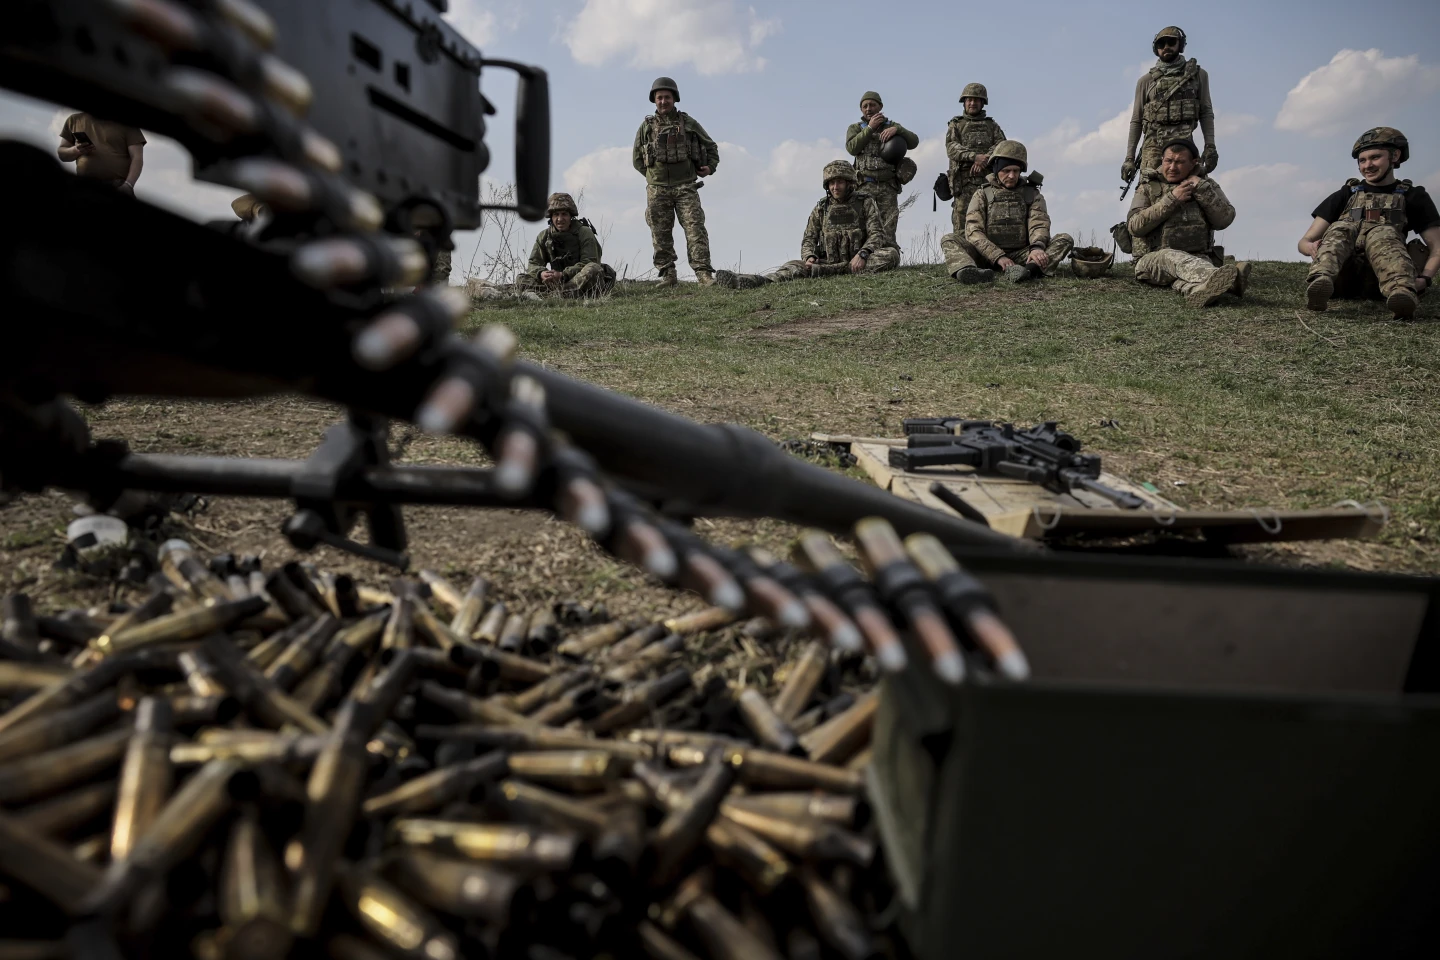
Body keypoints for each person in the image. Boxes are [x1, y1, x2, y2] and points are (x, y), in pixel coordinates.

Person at [1299, 127, 1438, 320]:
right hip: (1342, 277)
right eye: (1362, 160)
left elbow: (1437, 247)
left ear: (1395, 156)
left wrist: (1424, 279)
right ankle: (1321, 282)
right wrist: (1311, 247)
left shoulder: (1413, 196)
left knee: (1382, 231)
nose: (1368, 165)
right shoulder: (1347, 194)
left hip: (1383, 279)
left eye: (1375, 158)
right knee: (1342, 227)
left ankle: (1402, 295)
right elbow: (1304, 242)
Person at [714, 161, 897, 288]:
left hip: (858, 262)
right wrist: (809, 256)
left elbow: (876, 234)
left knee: (890, 255)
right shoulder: (822, 208)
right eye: (832, 183)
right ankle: (751, 281)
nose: (835, 187)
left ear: (850, 183)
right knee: (791, 266)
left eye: (840, 182)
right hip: (825, 263)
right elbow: (809, 238)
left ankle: (836, 271)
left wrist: (863, 254)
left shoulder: (865, 202)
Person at [1125, 137, 1246, 308]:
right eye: (1168, 161)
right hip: (1153, 260)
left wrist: (1203, 190)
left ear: (1193, 163)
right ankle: (1229, 280)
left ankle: (1198, 290)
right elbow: (1134, 227)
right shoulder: (1148, 187)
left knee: (1186, 279)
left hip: (1197, 257)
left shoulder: (1206, 185)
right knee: (1170, 256)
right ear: (1162, 160)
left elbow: (1224, 220)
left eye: (1180, 162)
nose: (1172, 167)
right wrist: (1172, 200)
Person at [941, 141, 1072, 284]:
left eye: (1016, 171)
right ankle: (968, 271)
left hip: (1023, 255)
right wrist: (997, 256)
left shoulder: (1031, 193)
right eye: (1006, 171)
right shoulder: (982, 194)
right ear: (996, 170)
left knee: (1064, 239)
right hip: (986, 256)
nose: (1011, 176)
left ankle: (1028, 271)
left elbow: (1039, 223)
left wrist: (1037, 248)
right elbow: (973, 231)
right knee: (949, 239)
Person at [632, 77, 719, 286]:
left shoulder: (688, 123)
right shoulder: (646, 127)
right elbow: (637, 159)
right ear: (654, 100)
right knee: (660, 233)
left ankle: (703, 274)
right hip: (657, 189)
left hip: (686, 186)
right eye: (659, 98)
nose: (663, 101)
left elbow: (711, 146)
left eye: (667, 97)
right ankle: (668, 275)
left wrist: (710, 167)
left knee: (695, 229)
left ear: (674, 99)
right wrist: (654, 177)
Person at [1120, 27, 1217, 187]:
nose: (1166, 47)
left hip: (1183, 145)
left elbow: (1206, 112)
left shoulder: (1198, 75)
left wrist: (1210, 146)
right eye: (1161, 44)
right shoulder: (1146, 81)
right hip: (1153, 148)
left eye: (1171, 42)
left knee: (1195, 189)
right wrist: (1129, 158)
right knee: (1148, 190)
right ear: (1155, 48)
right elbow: (1136, 120)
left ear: (1181, 45)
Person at [845, 91, 919, 248]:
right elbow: (852, 148)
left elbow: (914, 142)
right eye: (865, 106)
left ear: (880, 107)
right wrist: (869, 128)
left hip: (887, 186)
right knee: (863, 227)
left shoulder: (892, 126)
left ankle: (888, 258)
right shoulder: (855, 128)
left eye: (872, 105)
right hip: (864, 186)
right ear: (861, 109)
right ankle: (864, 258)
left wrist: (897, 130)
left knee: (888, 228)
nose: (868, 108)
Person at [514, 192, 616, 298]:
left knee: (593, 269)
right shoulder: (544, 236)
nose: (560, 219)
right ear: (551, 217)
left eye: (564, 214)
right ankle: (559, 294)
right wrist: (541, 274)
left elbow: (589, 261)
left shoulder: (584, 232)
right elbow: (533, 263)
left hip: (579, 280)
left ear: (570, 216)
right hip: (558, 282)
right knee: (521, 278)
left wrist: (563, 275)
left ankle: (553, 295)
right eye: (556, 214)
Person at [944, 83, 1006, 237]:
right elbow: (952, 148)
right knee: (962, 222)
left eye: (976, 100)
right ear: (964, 102)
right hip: (964, 183)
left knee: (991, 216)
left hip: (988, 182)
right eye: (969, 100)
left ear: (983, 103)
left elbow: (1002, 146)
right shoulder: (956, 125)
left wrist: (985, 159)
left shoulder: (992, 126)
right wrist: (974, 157)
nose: (972, 103)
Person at [57, 112, 146, 194]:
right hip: (83, 186)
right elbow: (62, 154)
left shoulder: (128, 123)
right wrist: (76, 150)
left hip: (117, 186)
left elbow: (137, 158)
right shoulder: (74, 120)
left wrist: (128, 185)